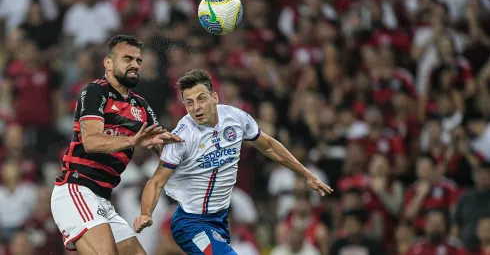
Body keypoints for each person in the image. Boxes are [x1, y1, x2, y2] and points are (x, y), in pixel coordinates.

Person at [134, 69, 333, 255]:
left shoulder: (236, 117)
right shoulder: (182, 137)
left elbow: (270, 146)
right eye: (189, 102)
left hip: (219, 221)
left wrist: (306, 174)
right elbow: (156, 182)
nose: (196, 107)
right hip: (190, 223)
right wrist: (146, 213)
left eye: (201, 99)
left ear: (215, 97)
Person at [50, 35, 182, 255]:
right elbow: (91, 141)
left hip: (103, 200)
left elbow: (164, 144)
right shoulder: (94, 92)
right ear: (108, 63)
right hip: (76, 190)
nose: (134, 65)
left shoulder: (141, 106)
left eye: (138, 61)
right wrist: (131, 141)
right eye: (127, 58)